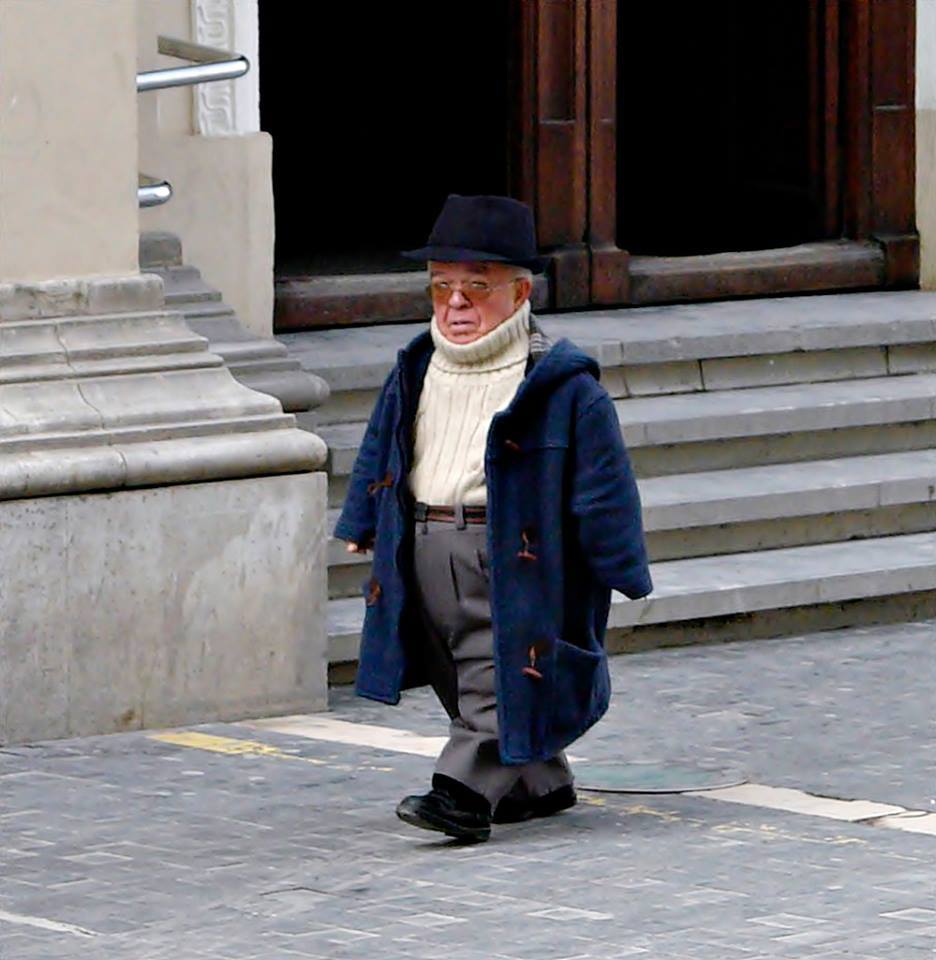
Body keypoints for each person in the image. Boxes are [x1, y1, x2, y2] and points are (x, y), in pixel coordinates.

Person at [335, 194, 652, 842]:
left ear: (519, 293)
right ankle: (540, 778)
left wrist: (622, 563)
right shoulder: (415, 369)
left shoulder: (561, 385)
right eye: (442, 287)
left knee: (493, 670)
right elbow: (383, 444)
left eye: (475, 289)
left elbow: (605, 483)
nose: (454, 304)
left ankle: (461, 794)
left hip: (506, 554)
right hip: (420, 542)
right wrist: (362, 521)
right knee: (455, 667)